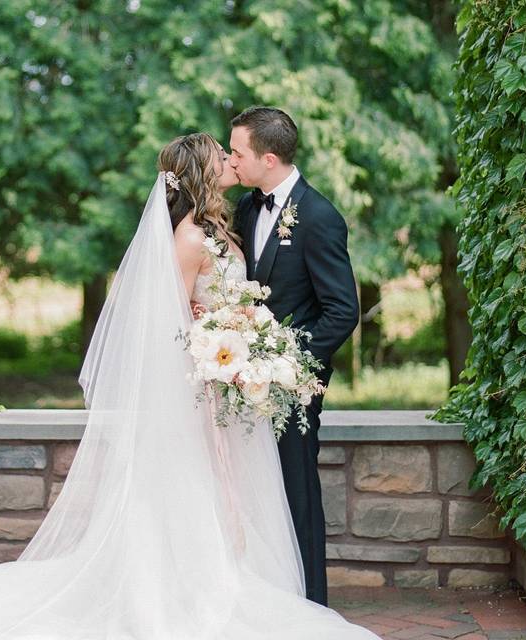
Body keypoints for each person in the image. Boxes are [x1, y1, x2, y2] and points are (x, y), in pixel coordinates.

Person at [0, 132, 378, 640]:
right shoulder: (187, 237)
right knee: (197, 496)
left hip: (236, 386)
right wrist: (219, 348)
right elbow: (171, 323)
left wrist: (245, 338)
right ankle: (190, 593)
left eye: (235, 153)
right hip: (207, 387)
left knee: (242, 498)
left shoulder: (230, 222)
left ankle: (256, 584)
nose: (230, 160)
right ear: (205, 173)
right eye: (222, 156)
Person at [230, 107, 360, 606]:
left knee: (296, 493)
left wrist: (285, 363)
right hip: (239, 383)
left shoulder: (320, 217)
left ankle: (310, 607)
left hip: (290, 387)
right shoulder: (246, 207)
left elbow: (341, 311)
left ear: (268, 157)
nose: (232, 160)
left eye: (238, 152)